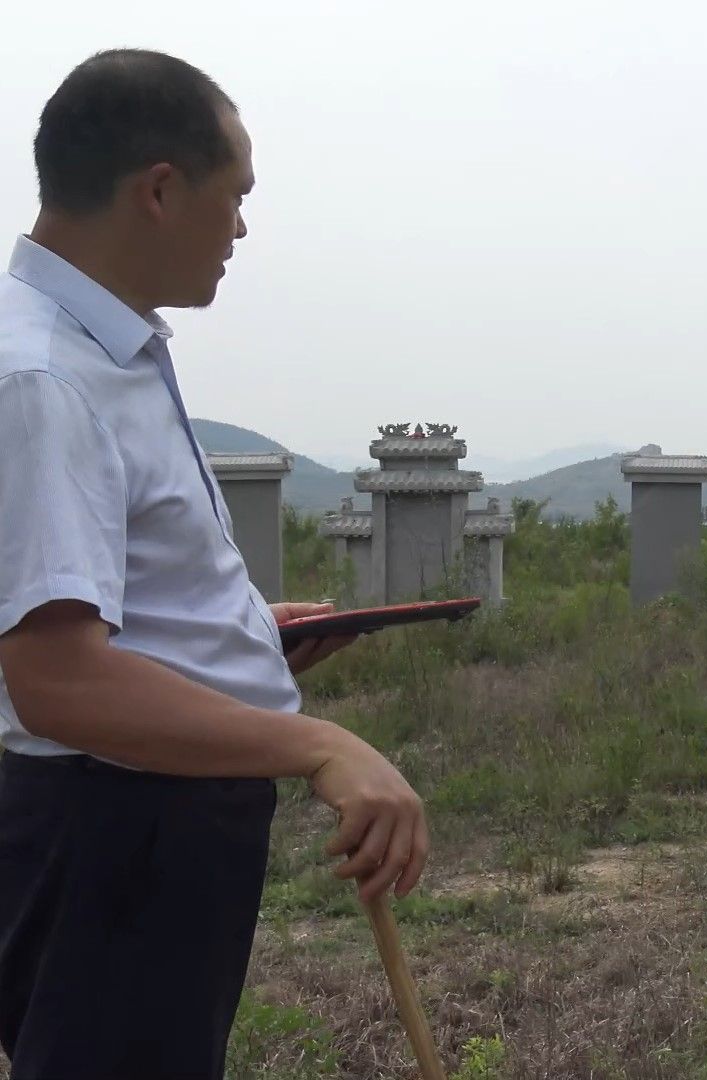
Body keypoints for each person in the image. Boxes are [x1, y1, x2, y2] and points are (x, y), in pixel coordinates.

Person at [0, 49, 429, 1079]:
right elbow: (55, 678)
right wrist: (321, 746)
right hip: (118, 825)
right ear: (159, 190)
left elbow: (95, 602)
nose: (240, 232)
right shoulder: (47, 377)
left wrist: (238, 638)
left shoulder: (106, 349)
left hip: (150, 813)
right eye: (234, 198)